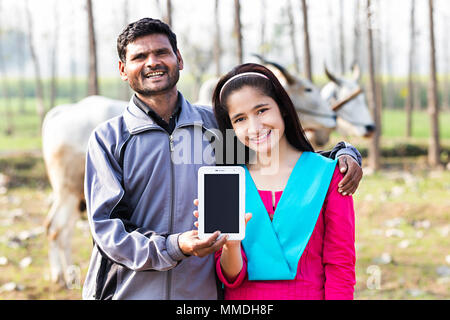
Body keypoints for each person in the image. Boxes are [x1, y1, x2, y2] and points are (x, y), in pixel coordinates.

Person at [83, 18, 361, 300]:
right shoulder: (110, 139)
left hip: (200, 296)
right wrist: (175, 246)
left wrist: (343, 155)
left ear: (179, 59)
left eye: (162, 53)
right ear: (122, 69)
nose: (152, 62)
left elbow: (275, 154)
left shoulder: (215, 127)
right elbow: (108, 230)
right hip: (129, 292)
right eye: (139, 56)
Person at [201, 63, 356, 300]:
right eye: (240, 119)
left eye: (262, 110)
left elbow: (340, 265)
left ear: (282, 108)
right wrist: (230, 246)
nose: (254, 127)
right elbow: (231, 278)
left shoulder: (328, 174)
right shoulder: (224, 181)